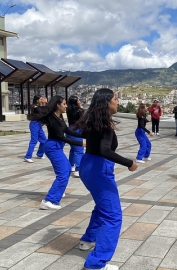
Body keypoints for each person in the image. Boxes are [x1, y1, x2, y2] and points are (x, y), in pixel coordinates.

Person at [76, 88, 138, 270]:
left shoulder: (94, 121)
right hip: (98, 170)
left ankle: (88, 240)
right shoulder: (104, 124)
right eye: (115, 99)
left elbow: (86, 139)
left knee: (102, 206)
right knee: (113, 216)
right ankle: (96, 263)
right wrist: (129, 163)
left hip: (88, 166)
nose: (117, 102)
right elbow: (105, 150)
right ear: (106, 103)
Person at [32, 95, 85, 210]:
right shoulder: (52, 119)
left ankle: (58, 192)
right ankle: (49, 200)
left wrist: (83, 136)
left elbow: (67, 130)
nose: (66, 106)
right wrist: (81, 143)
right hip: (52, 147)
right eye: (64, 104)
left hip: (57, 147)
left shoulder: (59, 117)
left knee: (66, 169)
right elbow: (62, 137)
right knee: (63, 173)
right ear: (58, 105)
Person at [24, 95, 47, 163]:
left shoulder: (40, 106)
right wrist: (43, 104)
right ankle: (28, 156)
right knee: (34, 140)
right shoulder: (34, 106)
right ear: (37, 100)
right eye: (40, 99)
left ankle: (40, 154)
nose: (41, 100)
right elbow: (41, 111)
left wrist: (44, 104)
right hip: (34, 124)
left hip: (39, 124)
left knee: (44, 141)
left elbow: (46, 111)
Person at [66, 96, 84, 177]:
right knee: (79, 150)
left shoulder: (69, 110)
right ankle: (78, 169)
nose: (79, 101)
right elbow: (83, 121)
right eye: (78, 100)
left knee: (73, 149)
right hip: (77, 130)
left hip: (69, 130)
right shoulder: (79, 110)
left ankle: (70, 165)